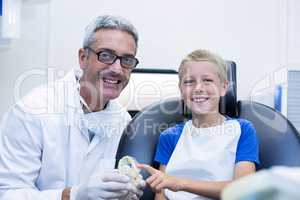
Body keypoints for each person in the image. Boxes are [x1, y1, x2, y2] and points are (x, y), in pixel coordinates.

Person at [0, 15, 145, 200]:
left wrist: (123, 192)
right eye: (106, 55)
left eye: (127, 60)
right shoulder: (33, 110)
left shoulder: (123, 120)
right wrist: (72, 195)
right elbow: (8, 193)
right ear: (83, 58)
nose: (117, 69)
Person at [138, 49, 259, 200]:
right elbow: (161, 193)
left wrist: (180, 183)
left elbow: (244, 190)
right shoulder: (170, 136)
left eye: (207, 80)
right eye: (189, 82)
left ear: (223, 87)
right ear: (181, 89)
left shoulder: (243, 130)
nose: (198, 88)